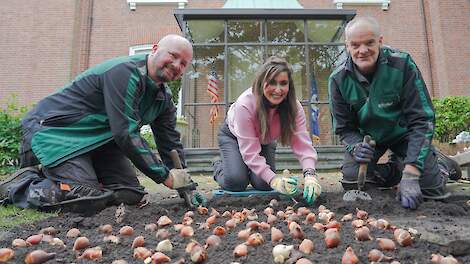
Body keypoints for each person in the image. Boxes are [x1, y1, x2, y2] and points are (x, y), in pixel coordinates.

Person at [0, 34, 199, 213]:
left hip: (99, 144)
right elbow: (126, 133)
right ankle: (19, 186)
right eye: (173, 56)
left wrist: (185, 185)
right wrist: (165, 176)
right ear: (155, 49)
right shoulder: (126, 73)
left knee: (130, 194)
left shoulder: (163, 99)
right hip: (56, 133)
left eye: (183, 63)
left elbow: (170, 143)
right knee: (86, 195)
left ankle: (75, 183)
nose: (176, 65)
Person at [328, 16, 460, 209]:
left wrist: (412, 171)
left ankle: (440, 165)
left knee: (430, 190)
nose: (362, 50)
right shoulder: (338, 79)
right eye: (355, 45)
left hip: (404, 134)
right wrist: (356, 146)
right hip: (368, 140)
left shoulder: (402, 64)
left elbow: (423, 120)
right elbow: (344, 128)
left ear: (380, 41)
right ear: (347, 46)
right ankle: (397, 168)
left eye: (369, 43)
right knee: (352, 182)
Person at [213, 56, 322, 205]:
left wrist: (310, 174)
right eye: (272, 82)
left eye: (283, 83)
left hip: (265, 139)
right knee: (236, 182)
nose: (278, 90)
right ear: (262, 82)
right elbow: (250, 153)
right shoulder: (245, 104)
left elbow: (302, 145)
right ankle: (220, 166)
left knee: (263, 184)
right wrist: (274, 179)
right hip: (233, 137)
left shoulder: (294, 108)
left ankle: (243, 167)